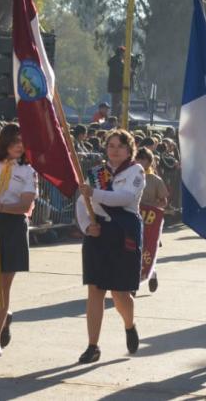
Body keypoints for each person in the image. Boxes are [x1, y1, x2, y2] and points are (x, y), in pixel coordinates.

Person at [75, 129, 146, 364]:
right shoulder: (96, 173)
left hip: (122, 232)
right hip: (98, 232)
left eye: (120, 146)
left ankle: (129, 324)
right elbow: (81, 201)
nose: (114, 150)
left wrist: (94, 193)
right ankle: (92, 345)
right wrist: (87, 226)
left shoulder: (136, 171)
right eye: (111, 145)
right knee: (95, 290)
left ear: (129, 150)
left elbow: (124, 198)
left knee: (119, 292)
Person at [0, 123, 38, 357]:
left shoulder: (28, 170)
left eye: (23, 142)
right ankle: (4, 316)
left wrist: (3, 207)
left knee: (2, 286)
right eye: (14, 141)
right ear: (5, 142)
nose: (19, 146)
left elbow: (26, 204)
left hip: (12, 226)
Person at [136, 148, 168, 293]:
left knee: (148, 250)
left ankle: (151, 274)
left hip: (149, 221)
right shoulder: (129, 177)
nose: (141, 162)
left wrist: (152, 207)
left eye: (144, 159)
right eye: (138, 158)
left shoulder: (155, 180)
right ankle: (132, 283)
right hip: (132, 219)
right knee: (133, 251)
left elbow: (163, 201)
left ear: (149, 162)